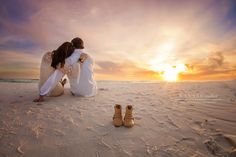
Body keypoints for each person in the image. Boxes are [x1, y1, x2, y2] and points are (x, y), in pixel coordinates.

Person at [34, 38, 97, 102]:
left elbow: (55, 77)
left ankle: (65, 85)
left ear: (72, 46)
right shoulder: (90, 57)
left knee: (62, 72)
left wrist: (42, 94)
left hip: (78, 92)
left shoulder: (70, 59)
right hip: (91, 91)